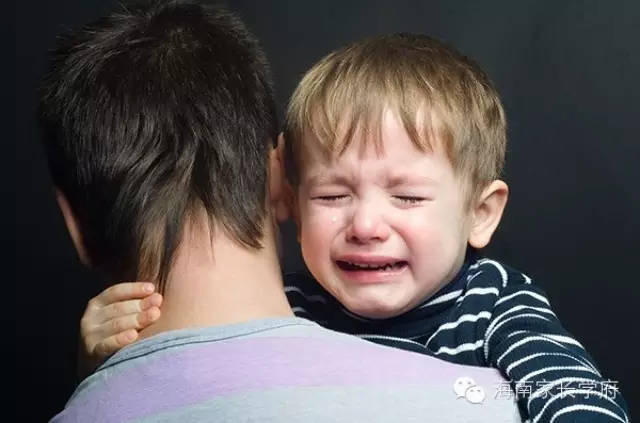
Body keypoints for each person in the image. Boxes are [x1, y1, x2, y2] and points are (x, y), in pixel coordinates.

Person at [81, 27, 631, 422]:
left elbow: (581, 395)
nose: (365, 225)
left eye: (407, 197)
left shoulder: (496, 306)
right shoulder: (289, 309)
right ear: (291, 202)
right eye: (333, 195)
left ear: (480, 214)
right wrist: (103, 358)